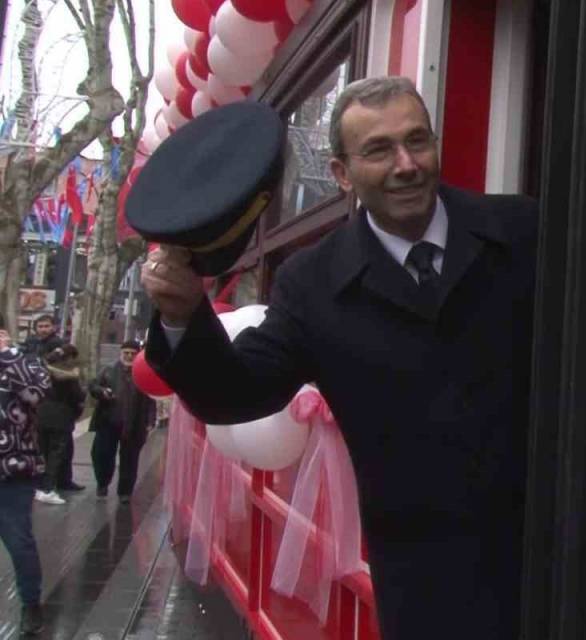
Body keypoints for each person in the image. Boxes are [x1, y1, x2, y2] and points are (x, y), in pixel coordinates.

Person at [140, 77, 538, 640]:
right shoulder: (312, 281)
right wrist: (184, 315)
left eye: (417, 140)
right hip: (427, 583)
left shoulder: (523, 232)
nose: (406, 164)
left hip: (553, 562)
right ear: (342, 174)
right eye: (378, 150)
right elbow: (236, 393)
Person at [0, 327, 52, 635]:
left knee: (19, 542)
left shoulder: (24, 362)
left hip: (13, 471)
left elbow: (39, 392)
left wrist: (6, 357)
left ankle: (31, 604)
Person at [87, 341, 155, 503]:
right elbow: (93, 386)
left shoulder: (144, 372)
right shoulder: (108, 370)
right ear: (121, 353)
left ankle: (125, 492)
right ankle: (102, 483)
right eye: (126, 353)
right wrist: (102, 392)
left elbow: (151, 398)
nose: (129, 356)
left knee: (130, 460)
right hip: (108, 421)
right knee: (101, 455)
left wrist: (150, 420)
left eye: (133, 353)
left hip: (134, 424)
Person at [34, 345, 85, 505]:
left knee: (43, 452)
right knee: (56, 454)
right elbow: (78, 396)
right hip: (61, 418)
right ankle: (47, 488)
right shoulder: (70, 375)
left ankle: (41, 484)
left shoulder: (44, 372)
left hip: (41, 416)